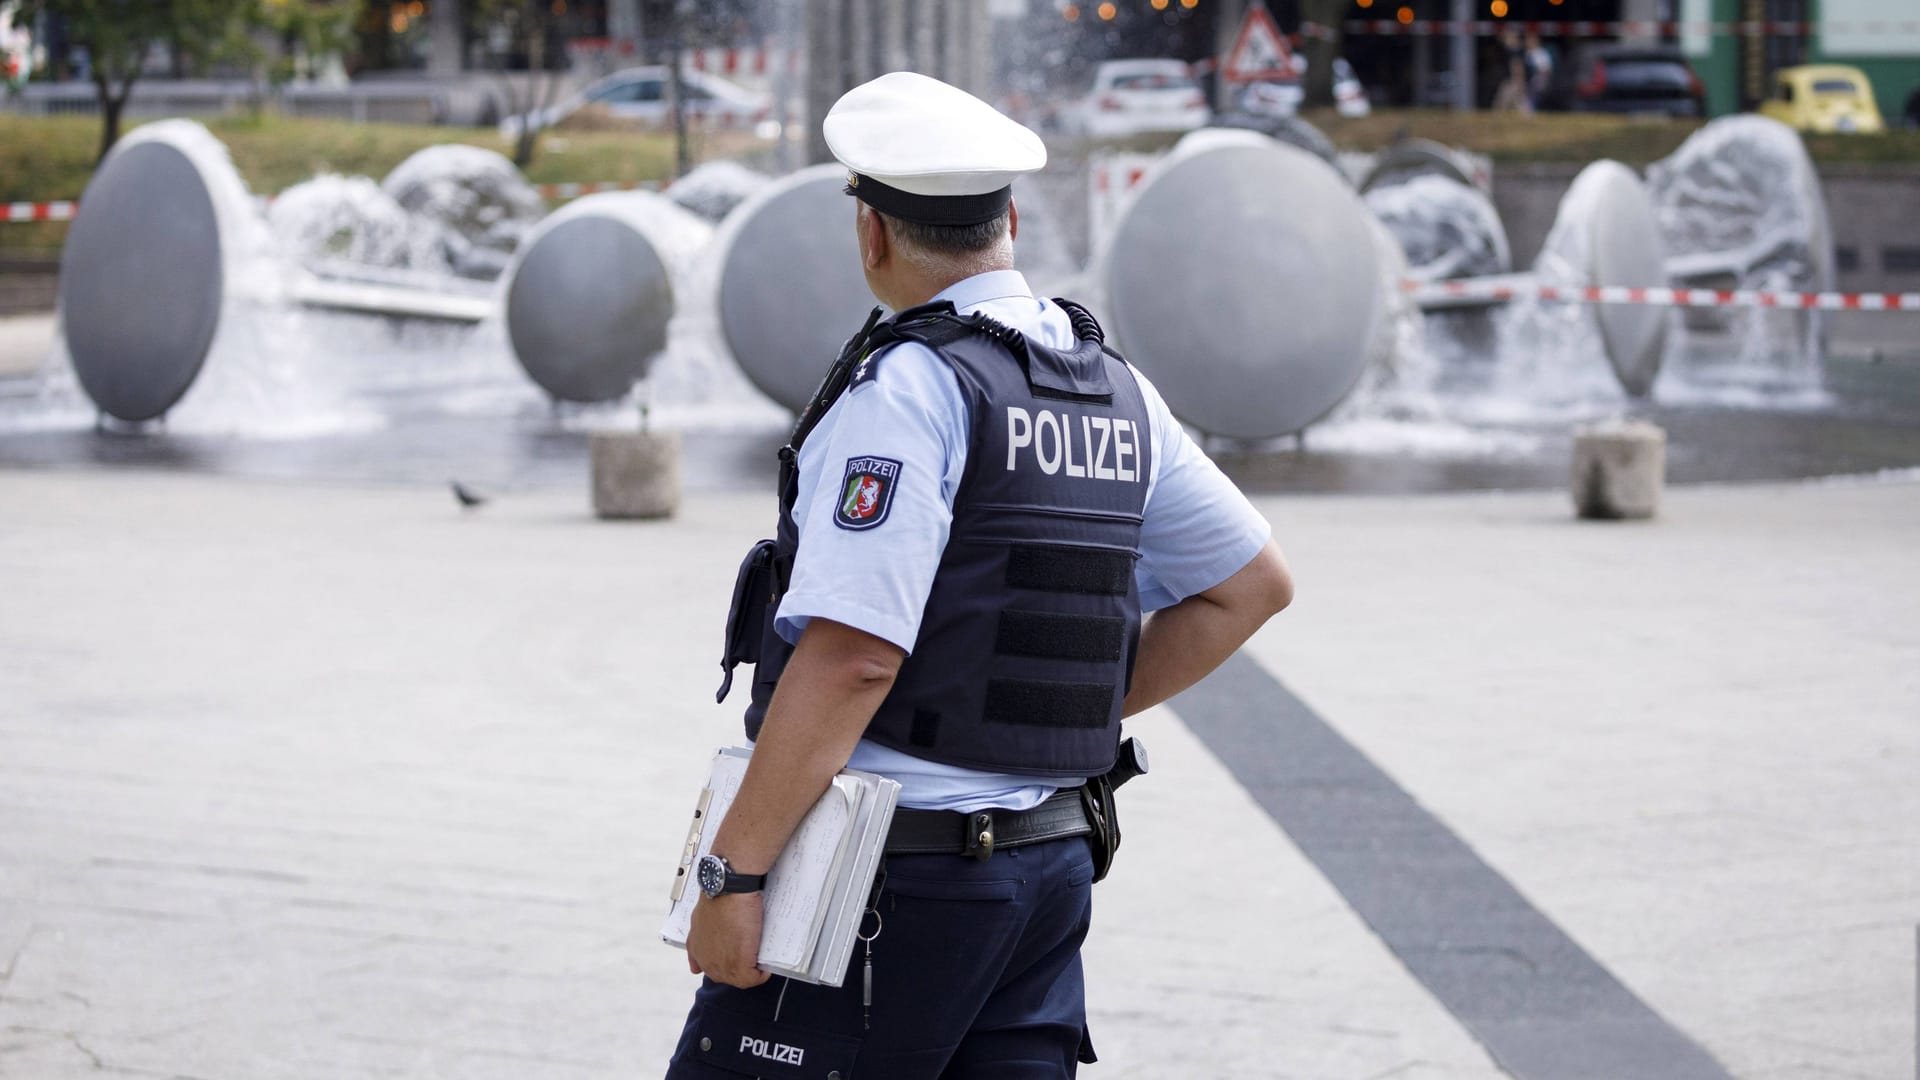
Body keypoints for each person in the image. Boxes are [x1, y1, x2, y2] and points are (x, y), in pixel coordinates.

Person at [668, 71, 1293, 1079]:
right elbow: (1250, 585)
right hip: (1047, 868)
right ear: (1008, 219)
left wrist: (732, 873)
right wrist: (1054, 704)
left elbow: (856, 656)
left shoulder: (911, 386)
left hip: (886, 882)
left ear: (871, 232)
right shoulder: (1113, 387)